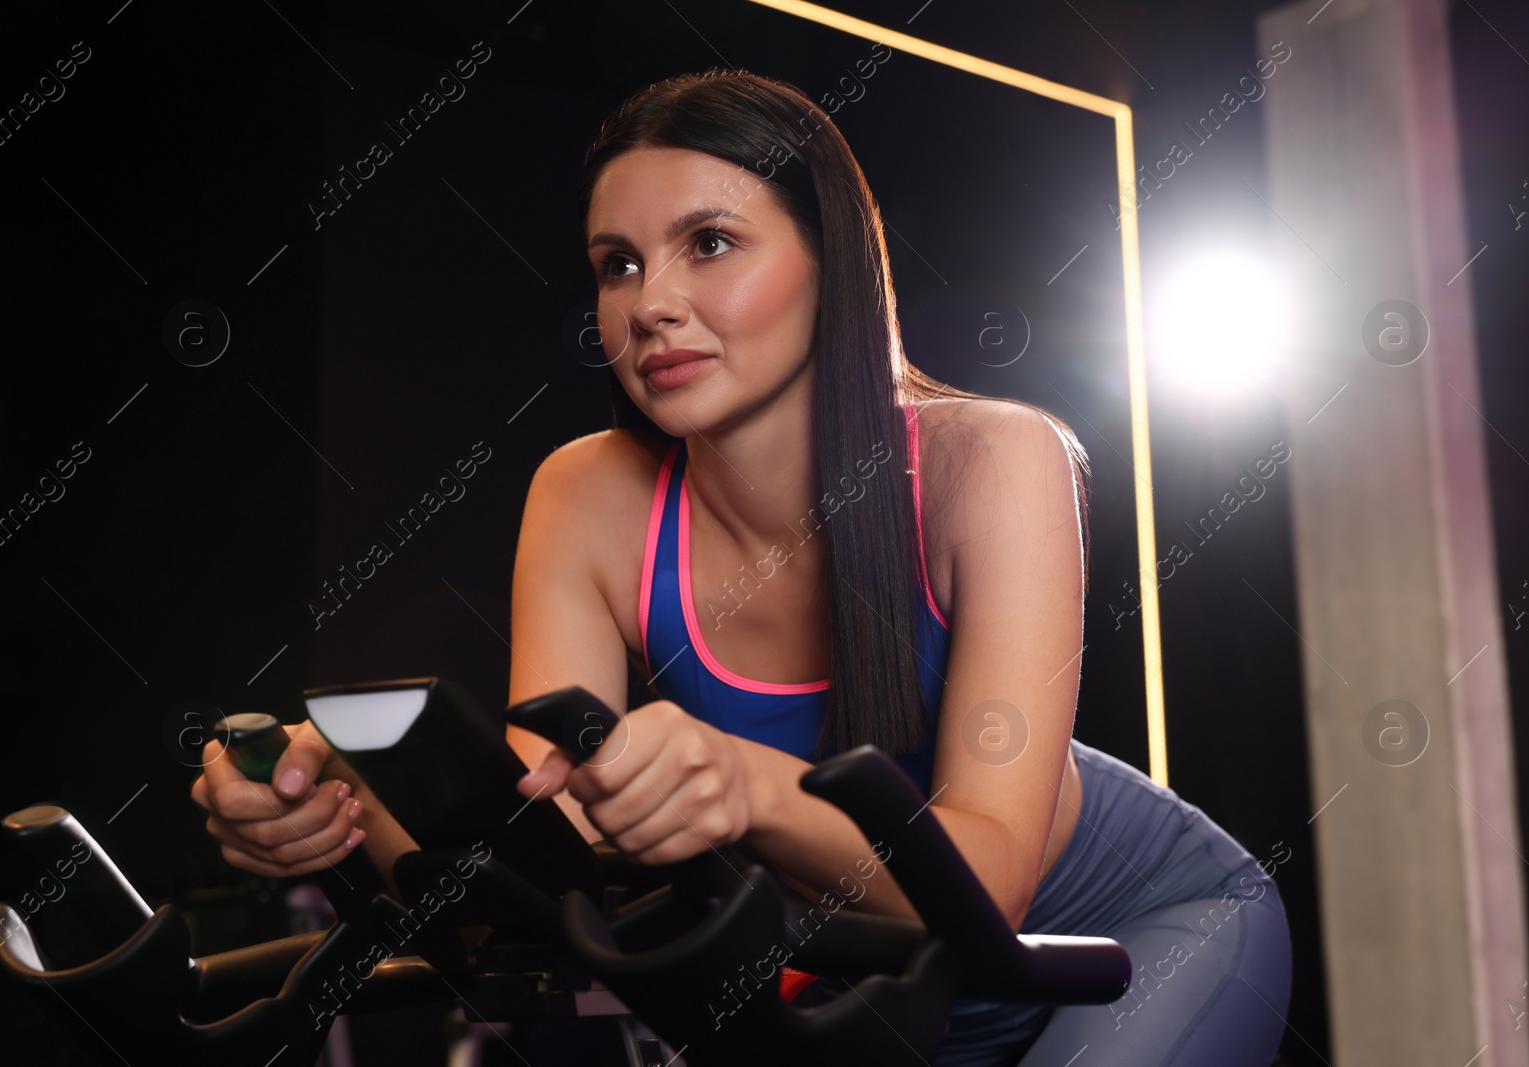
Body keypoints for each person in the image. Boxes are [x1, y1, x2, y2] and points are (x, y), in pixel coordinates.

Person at [191, 69, 1292, 1065]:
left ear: (831, 260)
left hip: (1132, 929)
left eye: (709, 243)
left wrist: (744, 786)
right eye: (616, 264)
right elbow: (539, 875)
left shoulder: (996, 459)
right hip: (882, 993)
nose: (649, 303)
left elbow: (986, 884)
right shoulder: (588, 493)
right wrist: (347, 812)